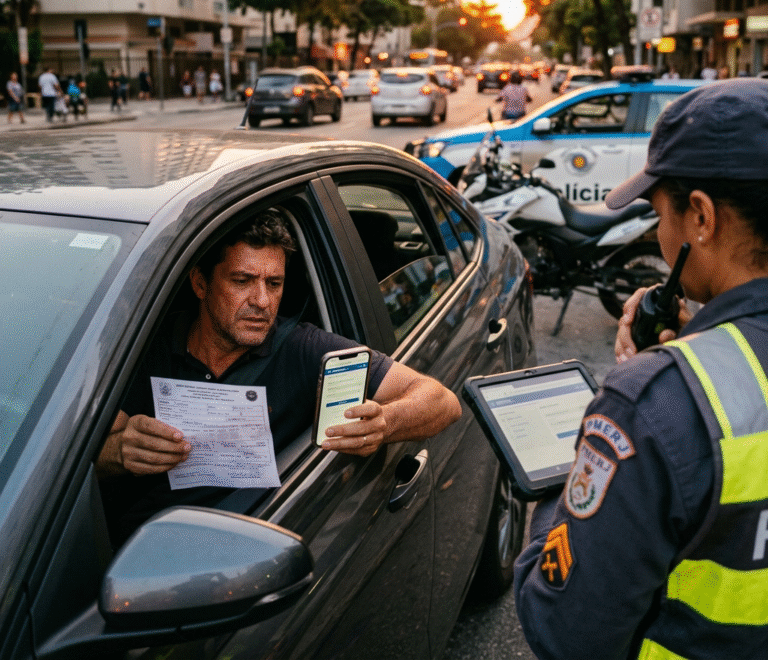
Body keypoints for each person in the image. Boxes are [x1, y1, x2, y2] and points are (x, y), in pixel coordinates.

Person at [514, 79, 768, 659]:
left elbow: (566, 633)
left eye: (659, 214)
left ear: (700, 216)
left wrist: (560, 493)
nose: (658, 233)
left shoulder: (652, 403)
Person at [96, 210, 462, 544]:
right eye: (242, 280)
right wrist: (119, 450)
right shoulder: (147, 349)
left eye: (274, 284)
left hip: (250, 545)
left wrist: (385, 423)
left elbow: (442, 401)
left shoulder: (305, 349)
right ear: (200, 284)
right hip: (139, 545)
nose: (262, 301)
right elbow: (84, 458)